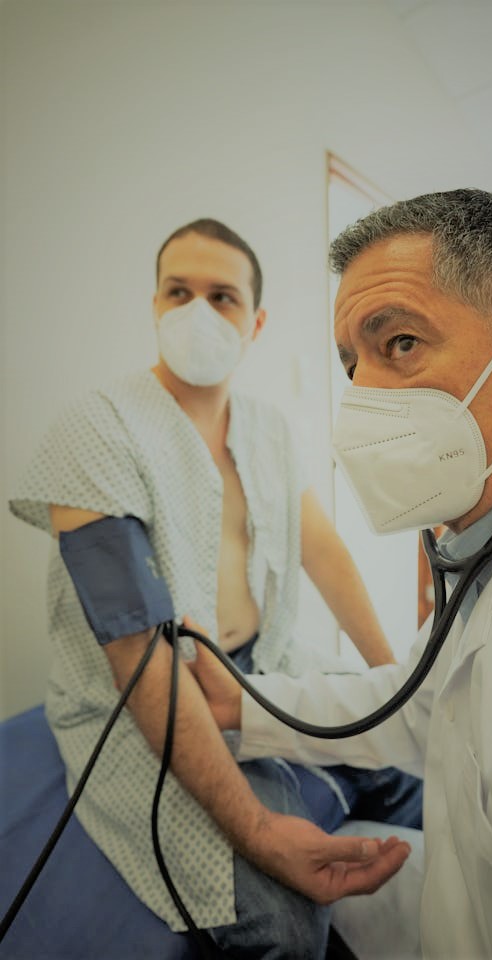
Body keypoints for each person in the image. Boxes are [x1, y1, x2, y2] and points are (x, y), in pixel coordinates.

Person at [188, 190, 492, 958]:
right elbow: (425, 705)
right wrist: (245, 705)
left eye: (399, 343)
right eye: (350, 365)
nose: (360, 401)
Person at [8, 218, 422, 959]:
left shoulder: (267, 429)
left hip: (263, 665)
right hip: (140, 698)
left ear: (255, 322)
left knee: (415, 767)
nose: (197, 312)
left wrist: (398, 683)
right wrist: (258, 830)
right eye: (179, 292)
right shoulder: (96, 431)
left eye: (222, 296)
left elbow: (323, 552)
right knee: (284, 925)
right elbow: (136, 648)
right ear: (155, 305)